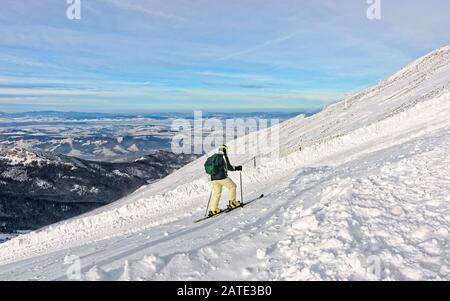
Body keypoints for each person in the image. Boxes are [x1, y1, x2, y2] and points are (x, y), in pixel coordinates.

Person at [208, 144, 242, 217]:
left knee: (217, 193)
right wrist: (237, 168)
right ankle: (232, 203)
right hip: (221, 177)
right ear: (225, 150)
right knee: (232, 187)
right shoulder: (223, 156)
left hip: (213, 178)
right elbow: (229, 167)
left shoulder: (214, 157)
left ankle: (213, 210)